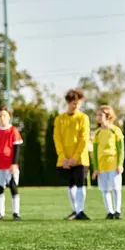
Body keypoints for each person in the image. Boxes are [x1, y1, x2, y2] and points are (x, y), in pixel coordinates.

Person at [53, 89, 91, 220]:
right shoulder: (59, 119)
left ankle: (81, 211)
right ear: (68, 103)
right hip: (65, 160)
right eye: (74, 103)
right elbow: (57, 139)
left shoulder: (83, 118)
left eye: (79, 103)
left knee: (81, 184)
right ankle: (75, 210)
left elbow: (84, 139)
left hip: (80, 159)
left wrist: (75, 157)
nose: (77, 106)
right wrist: (63, 157)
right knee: (71, 185)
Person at [0, 105, 23, 221]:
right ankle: (0, 213)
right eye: (0, 115)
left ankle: (16, 212)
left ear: (9, 117)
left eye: (4, 115)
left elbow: (17, 148)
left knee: (13, 187)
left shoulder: (13, 130)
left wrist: (14, 164)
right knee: (0, 188)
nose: (2, 118)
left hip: (10, 165)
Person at [91, 105, 125, 219]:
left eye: (101, 115)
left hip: (113, 164)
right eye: (97, 115)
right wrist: (95, 168)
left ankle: (117, 210)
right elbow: (94, 152)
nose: (99, 117)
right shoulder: (97, 133)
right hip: (102, 166)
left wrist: (120, 164)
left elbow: (121, 149)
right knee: (105, 189)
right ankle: (109, 211)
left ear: (108, 116)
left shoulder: (115, 130)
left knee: (116, 188)